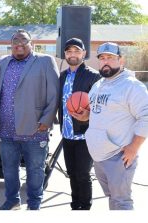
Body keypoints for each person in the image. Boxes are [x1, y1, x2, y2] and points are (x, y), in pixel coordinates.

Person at [72, 42, 148, 210]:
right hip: (99, 156)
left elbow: (146, 116)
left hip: (118, 156)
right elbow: (98, 113)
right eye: (102, 58)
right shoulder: (99, 85)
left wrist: (134, 147)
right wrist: (86, 116)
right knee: (112, 199)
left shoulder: (132, 86)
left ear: (121, 60)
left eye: (110, 58)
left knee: (121, 202)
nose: (105, 62)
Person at [0, 29, 60, 210]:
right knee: (9, 169)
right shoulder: (3, 62)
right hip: (6, 128)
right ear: (11, 45)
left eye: (24, 40)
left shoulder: (45, 61)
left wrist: (47, 120)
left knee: (35, 170)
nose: (19, 43)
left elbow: (54, 93)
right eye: (15, 40)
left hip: (35, 128)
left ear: (32, 44)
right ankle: (12, 200)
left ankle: (34, 204)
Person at [58, 38, 101, 210]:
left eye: (76, 51)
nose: (72, 54)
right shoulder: (62, 76)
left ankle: (85, 206)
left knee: (83, 174)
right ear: (65, 54)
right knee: (72, 173)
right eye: (69, 51)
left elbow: (101, 107)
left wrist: (88, 115)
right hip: (67, 133)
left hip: (85, 133)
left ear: (84, 53)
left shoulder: (93, 76)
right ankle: (75, 205)